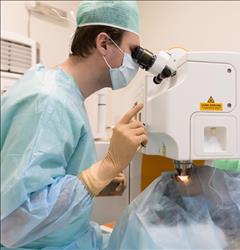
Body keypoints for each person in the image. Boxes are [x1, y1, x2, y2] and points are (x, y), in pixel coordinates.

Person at [1, 1, 147, 249]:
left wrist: (100, 180)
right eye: (133, 51)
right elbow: (15, 220)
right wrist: (105, 168)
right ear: (103, 43)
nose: (136, 62)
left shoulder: (62, 93)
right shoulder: (49, 101)